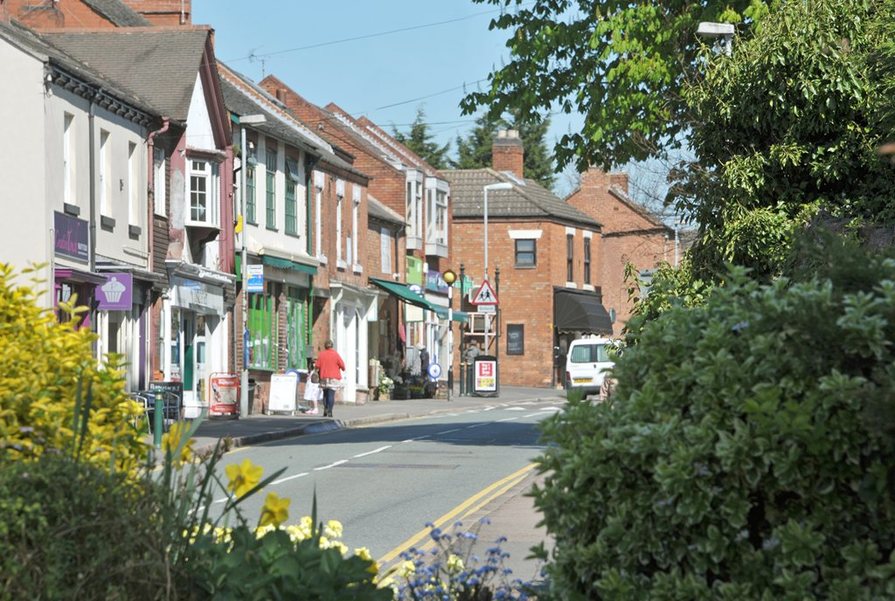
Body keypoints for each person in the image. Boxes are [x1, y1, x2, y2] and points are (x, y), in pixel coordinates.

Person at [315, 339, 345, 418]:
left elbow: (317, 366)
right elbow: (342, 365)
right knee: (331, 394)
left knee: (325, 393)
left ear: (325, 346)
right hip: (334, 377)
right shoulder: (335, 354)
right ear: (332, 346)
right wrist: (341, 368)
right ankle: (330, 411)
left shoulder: (322, 354)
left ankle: (325, 409)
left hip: (324, 376)